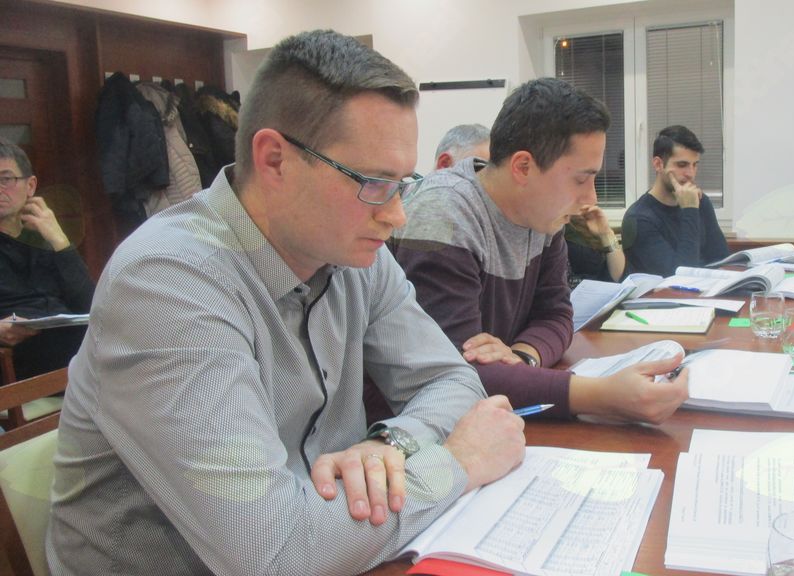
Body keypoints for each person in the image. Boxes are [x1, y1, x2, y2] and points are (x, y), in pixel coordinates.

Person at [46, 30, 525, 576]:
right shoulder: (166, 283)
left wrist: (393, 446)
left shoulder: (352, 253)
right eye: (373, 182)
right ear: (275, 160)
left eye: (401, 184)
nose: (396, 216)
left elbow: (453, 383)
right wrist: (456, 464)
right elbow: (274, 554)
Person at [389, 77, 687, 425]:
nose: (591, 197)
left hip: (496, 413)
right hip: (413, 429)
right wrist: (603, 396)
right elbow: (456, 376)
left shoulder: (542, 215)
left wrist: (521, 357)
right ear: (523, 167)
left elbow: (557, 316)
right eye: (581, 179)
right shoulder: (444, 212)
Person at [0, 137, 93, 380]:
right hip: (21, 363)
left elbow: (89, 304)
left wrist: (59, 240)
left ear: (30, 186)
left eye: (6, 179)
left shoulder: (44, 236)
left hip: (74, 356)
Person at [620, 125, 728, 276]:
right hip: (666, 290)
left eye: (694, 165)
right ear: (658, 164)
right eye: (682, 165)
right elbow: (679, 277)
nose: (690, 173)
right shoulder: (639, 218)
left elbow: (722, 259)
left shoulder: (701, 202)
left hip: (708, 288)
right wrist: (689, 210)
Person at [564, 204, 625, 287]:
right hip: (580, 291)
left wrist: (606, 232)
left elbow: (619, 276)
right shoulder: (559, 226)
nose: (593, 199)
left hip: (606, 289)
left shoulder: (590, 218)